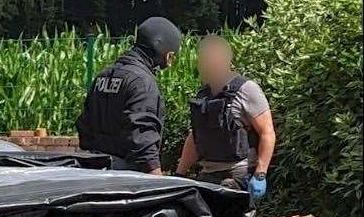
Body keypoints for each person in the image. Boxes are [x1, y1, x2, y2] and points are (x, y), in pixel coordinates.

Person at [174, 34, 276, 202]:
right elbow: (195, 137)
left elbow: (267, 132)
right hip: (208, 174)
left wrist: (260, 174)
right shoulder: (203, 94)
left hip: (237, 174)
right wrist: (180, 173)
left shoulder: (246, 89)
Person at [78, 16, 182, 173]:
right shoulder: (142, 82)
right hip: (125, 177)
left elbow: (84, 125)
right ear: (167, 55)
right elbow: (142, 136)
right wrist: (156, 176)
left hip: (92, 168)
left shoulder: (103, 75)